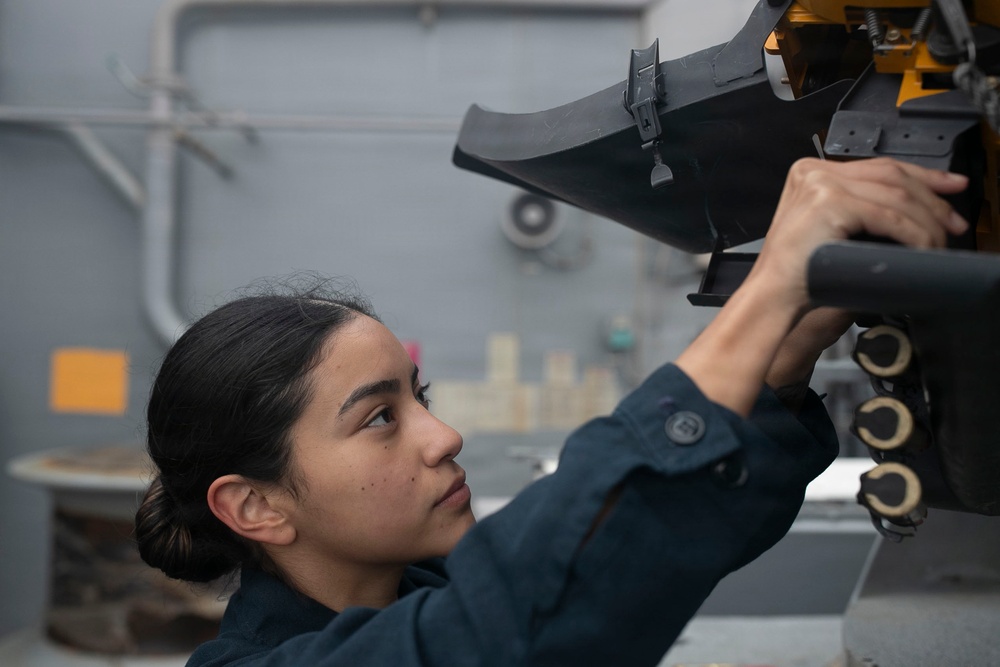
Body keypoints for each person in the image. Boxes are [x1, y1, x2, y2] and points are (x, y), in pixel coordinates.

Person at [135, 157, 969, 666]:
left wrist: (790, 341)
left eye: (418, 397)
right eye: (379, 418)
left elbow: (642, 550)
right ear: (255, 505)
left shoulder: (429, 581)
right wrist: (768, 290)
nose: (444, 436)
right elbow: (507, 633)